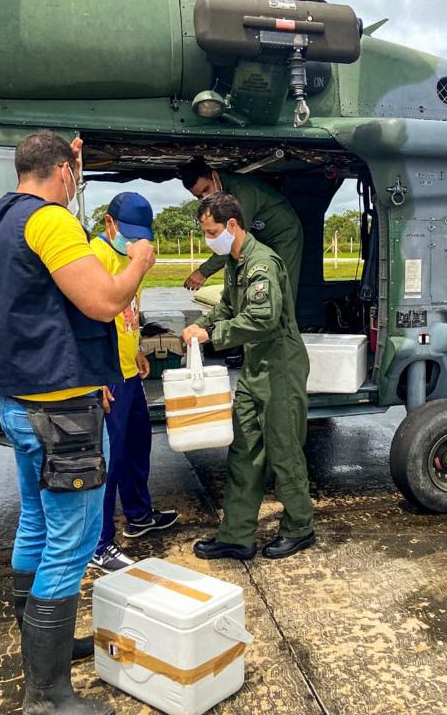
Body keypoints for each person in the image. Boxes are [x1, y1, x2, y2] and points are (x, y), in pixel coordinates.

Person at [0, 130, 154, 715]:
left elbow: (41, 312)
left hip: (21, 402)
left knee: (36, 523)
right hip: (58, 415)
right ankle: (46, 695)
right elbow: (101, 301)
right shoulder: (49, 221)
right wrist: (141, 263)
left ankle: (40, 652)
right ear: (63, 171)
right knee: (70, 542)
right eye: (76, 170)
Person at [180, 191, 315, 561]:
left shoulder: (261, 263)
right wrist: (201, 325)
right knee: (243, 451)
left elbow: (263, 318)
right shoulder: (235, 263)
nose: (209, 239)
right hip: (256, 366)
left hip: (281, 368)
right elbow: (226, 305)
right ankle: (237, 535)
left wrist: (213, 335)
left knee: (284, 452)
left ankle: (300, 527)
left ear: (232, 225)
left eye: (211, 232)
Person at [88, 192, 179, 573]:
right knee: (107, 460)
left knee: (138, 445)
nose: (136, 242)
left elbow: (128, 313)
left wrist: (138, 347)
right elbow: (87, 322)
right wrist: (96, 376)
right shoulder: (94, 258)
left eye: (142, 235)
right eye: (128, 233)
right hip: (107, 375)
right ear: (109, 224)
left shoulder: (133, 257)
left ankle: (139, 515)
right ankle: (99, 542)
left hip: (128, 368)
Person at [179, 157, 304, 300]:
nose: (205, 197)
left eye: (206, 189)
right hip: (259, 238)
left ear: (214, 176)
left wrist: (203, 272)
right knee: (255, 288)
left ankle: (284, 323)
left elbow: (232, 240)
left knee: (280, 290)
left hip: (284, 235)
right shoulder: (220, 198)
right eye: (199, 196)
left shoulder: (240, 192)